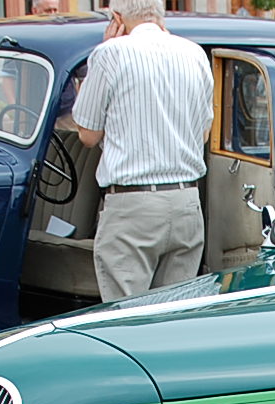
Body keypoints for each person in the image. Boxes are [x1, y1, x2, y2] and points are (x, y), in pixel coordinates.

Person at [71, 0, 212, 301]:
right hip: (186, 201)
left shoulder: (110, 53)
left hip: (132, 206)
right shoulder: (195, 54)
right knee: (174, 312)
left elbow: (87, 135)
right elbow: (203, 134)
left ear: (117, 18)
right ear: (160, 16)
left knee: (127, 314)